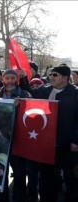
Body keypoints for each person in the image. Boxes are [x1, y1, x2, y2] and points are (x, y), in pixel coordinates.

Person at [28, 64, 78, 202]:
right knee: (47, 177)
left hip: (67, 144)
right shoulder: (44, 90)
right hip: (47, 142)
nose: (51, 77)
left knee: (70, 177)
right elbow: (28, 96)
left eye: (55, 75)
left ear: (65, 78)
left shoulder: (75, 94)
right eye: (50, 74)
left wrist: (76, 140)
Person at [0, 69, 32, 202]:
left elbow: (31, 117)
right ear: (3, 80)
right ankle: (1, 198)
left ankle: (19, 198)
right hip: (0, 140)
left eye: (12, 78)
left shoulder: (25, 94)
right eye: (7, 78)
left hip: (18, 141)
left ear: (17, 79)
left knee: (19, 173)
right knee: (0, 172)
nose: (9, 81)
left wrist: (18, 107)